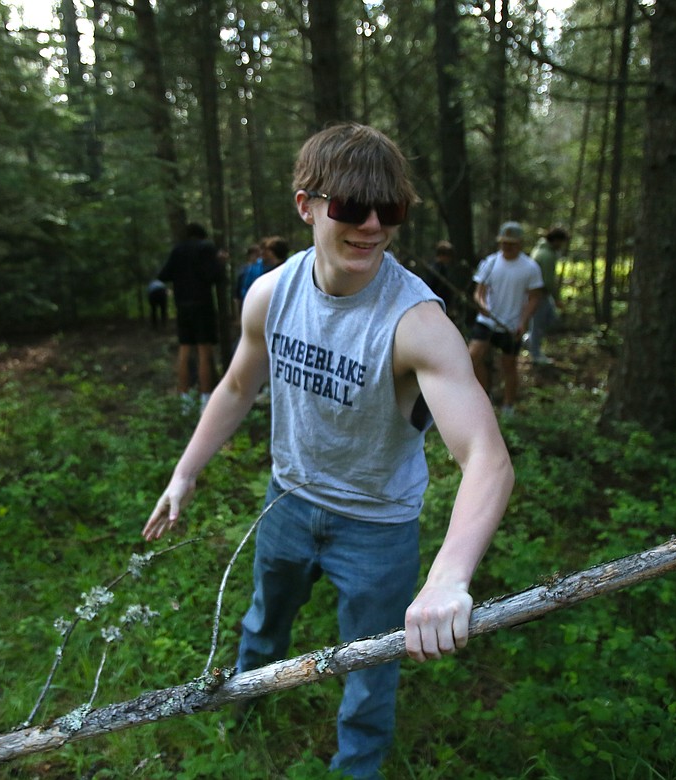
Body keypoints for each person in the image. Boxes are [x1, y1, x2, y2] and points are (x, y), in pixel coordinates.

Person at [143, 123, 514, 779]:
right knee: (262, 627)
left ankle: (356, 769)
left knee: (371, 669)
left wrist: (449, 576)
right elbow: (234, 385)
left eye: (389, 210)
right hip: (286, 502)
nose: (372, 226)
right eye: (351, 207)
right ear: (306, 204)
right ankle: (244, 721)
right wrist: (184, 473)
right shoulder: (271, 294)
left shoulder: (417, 323)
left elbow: (486, 457)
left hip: (377, 526)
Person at [467, 221, 544, 416]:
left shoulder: (530, 267)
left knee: (508, 364)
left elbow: (535, 297)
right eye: (504, 243)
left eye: (512, 243)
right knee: (472, 357)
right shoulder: (490, 262)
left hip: (511, 324)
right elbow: (479, 291)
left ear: (519, 244)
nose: (507, 247)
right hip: (487, 320)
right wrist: (483, 306)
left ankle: (509, 405)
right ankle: (483, 397)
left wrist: (523, 321)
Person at [157, 222, 223, 409]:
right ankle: (205, 400)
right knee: (204, 351)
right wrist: (219, 262)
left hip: (182, 306)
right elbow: (214, 276)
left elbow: (163, 275)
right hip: (202, 305)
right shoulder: (206, 248)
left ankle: (185, 401)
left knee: (184, 350)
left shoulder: (178, 250)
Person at [527, 227, 570, 365]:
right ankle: (535, 354)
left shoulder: (540, 249)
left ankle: (529, 341)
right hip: (540, 294)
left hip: (538, 293)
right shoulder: (547, 255)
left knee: (547, 320)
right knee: (539, 324)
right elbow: (548, 281)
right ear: (557, 240)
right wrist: (556, 298)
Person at [238, 236, 291, 301]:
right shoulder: (254, 268)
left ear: (272, 252)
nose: (262, 253)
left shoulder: (289, 269)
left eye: (266, 250)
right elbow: (245, 289)